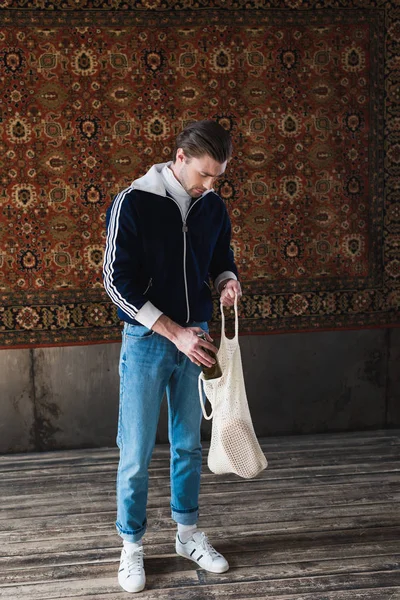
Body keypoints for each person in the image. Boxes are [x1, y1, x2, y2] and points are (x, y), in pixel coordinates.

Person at [103, 120, 242, 593]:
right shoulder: (134, 201)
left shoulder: (212, 205)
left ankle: (187, 536)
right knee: (136, 451)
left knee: (187, 444)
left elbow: (220, 254)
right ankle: (132, 547)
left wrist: (226, 280)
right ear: (180, 158)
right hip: (147, 341)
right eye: (205, 174)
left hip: (198, 337)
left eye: (218, 176)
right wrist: (173, 331)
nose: (211, 185)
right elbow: (114, 284)